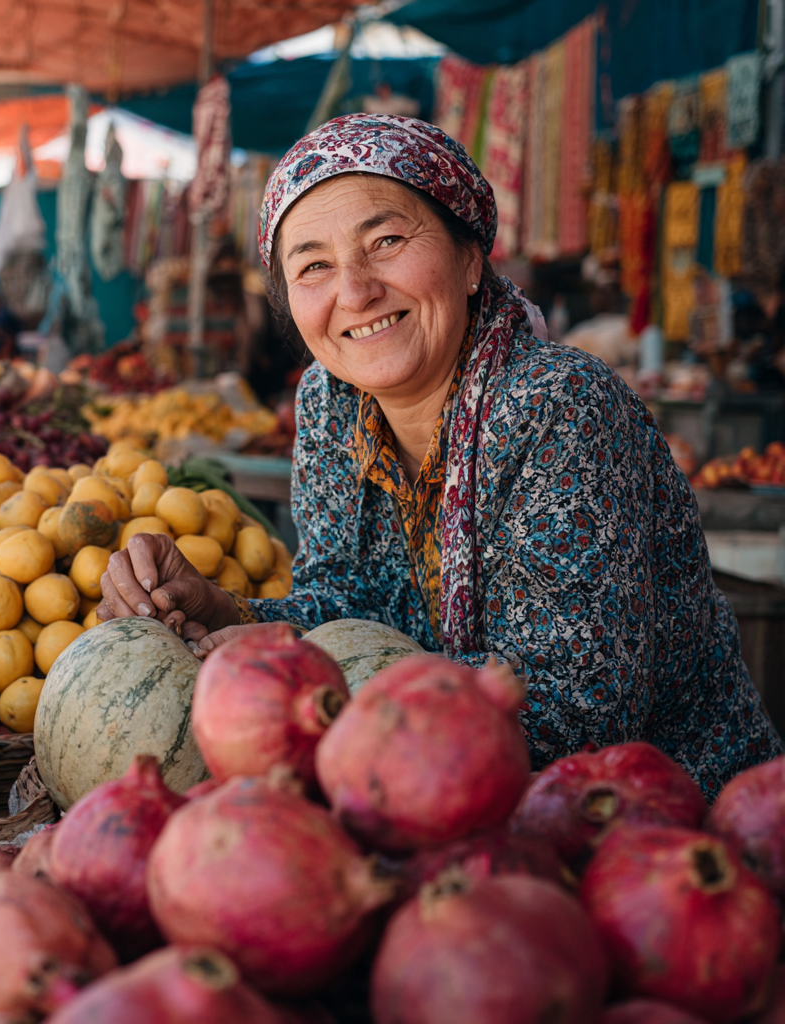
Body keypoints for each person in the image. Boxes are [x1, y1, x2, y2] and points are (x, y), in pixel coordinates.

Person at [97, 114, 781, 796]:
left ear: (471, 257)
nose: (355, 290)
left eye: (386, 240)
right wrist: (228, 612)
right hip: (432, 790)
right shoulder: (330, 405)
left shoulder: (559, 408)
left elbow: (577, 715)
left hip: (652, 816)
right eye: (313, 267)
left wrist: (310, 699)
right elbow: (345, 610)